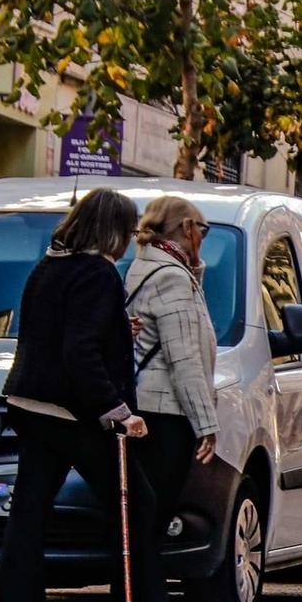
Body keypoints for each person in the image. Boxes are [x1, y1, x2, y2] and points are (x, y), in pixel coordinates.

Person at [0, 189, 191, 602]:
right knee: (136, 508)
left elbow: (62, 332)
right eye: (124, 231)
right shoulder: (99, 273)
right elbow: (79, 352)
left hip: (30, 404)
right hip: (74, 413)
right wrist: (119, 413)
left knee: (28, 517)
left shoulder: (48, 267)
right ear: (109, 231)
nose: (126, 242)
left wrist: (117, 329)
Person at [124, 197, 219, 535]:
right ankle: (142, 588)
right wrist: (205, 423)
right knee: (154, 516)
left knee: (143, 517)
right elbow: (184, 359)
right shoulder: (171, 278)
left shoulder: (149, 266)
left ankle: (138, 586)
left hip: (147, 409)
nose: (203, 238)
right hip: (165, 414)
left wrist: (194, 269)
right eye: (202, 230)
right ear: (187, 228)